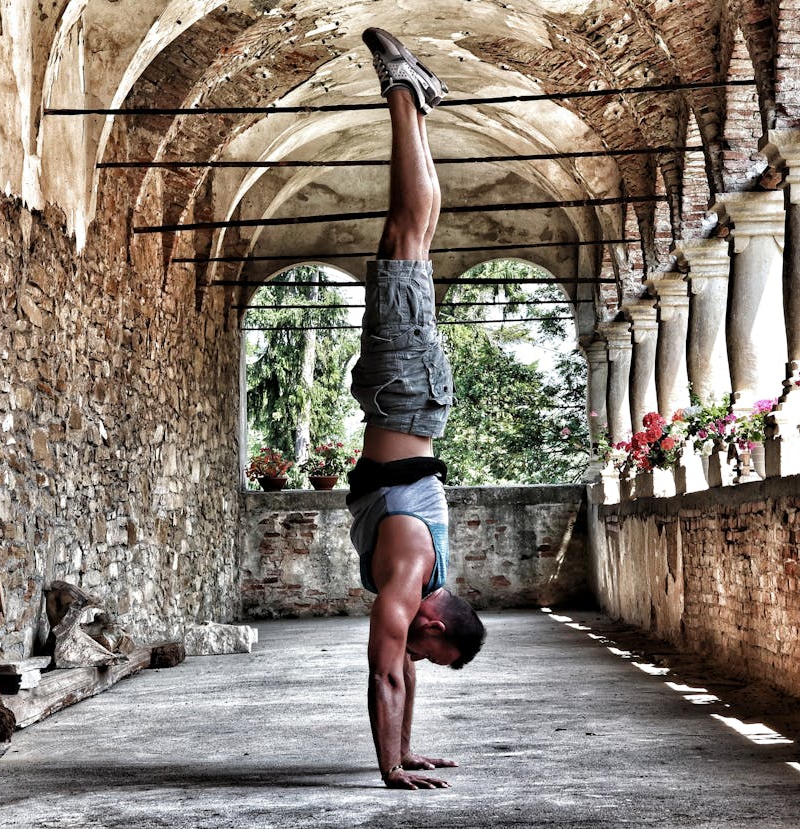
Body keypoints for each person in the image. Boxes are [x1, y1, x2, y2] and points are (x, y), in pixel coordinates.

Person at [345, 27, 486, 791]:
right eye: (429, 647)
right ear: (433, 621)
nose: (415, 654)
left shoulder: (424, 577)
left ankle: (418, 100)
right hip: (404, 396)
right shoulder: (408, 571)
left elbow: (405, 673)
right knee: (407, 234)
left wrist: (406, 751)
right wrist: (389, 768)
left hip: (412, 401)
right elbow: (386, 677)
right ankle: (402, 90)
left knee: (411, 238)